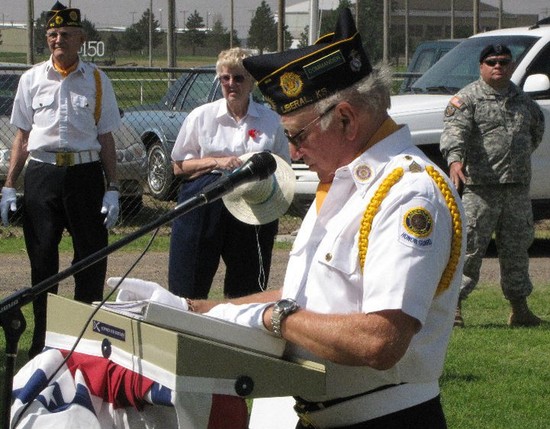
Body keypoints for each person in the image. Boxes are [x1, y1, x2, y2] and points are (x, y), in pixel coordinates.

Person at [109, 9, 465, 428]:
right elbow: (308, 293)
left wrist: (276, 319)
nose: (293, 153)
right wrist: (195, 310)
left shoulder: (407, 193)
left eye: (297, 136)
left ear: (347, 120)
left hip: (385, 418)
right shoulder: (344, 182)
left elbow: (380, 341)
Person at [0, 1, 121, 359]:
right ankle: (44, 341)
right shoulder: (32, 79)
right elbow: (22, 137)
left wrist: (112, 187)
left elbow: (107, 139)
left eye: (66, 34)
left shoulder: (97, 80)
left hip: (84, 175)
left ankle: (83, 342)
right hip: (42, 175)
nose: (58, 40)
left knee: (90, 259)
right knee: (42, 260)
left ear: (81, 39)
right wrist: (9, 184)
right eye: (52, 34)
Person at [168, 47, 290, 300]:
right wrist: (215, 161)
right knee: (188, 283)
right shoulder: (201, 117)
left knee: (247, 288)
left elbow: (281, 167)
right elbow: (178, 166)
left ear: (252, 82)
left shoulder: (270, 121)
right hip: (205, 200)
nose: (231, 84)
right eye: (225, 78)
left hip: (252, 206)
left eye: (238, 78)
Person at [440, 43, 545, 328]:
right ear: (481, 66)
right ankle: (455, 308)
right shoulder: (467, 99)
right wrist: (455, 160)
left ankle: (520, 309)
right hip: (479, 190)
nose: (498, 66)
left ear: (511, 66)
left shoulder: (524, 102)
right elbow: (454, 132)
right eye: (492, 62)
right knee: (470, 250)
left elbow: (535, 132)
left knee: (517, 251)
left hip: (516, 190)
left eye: (503, 61)